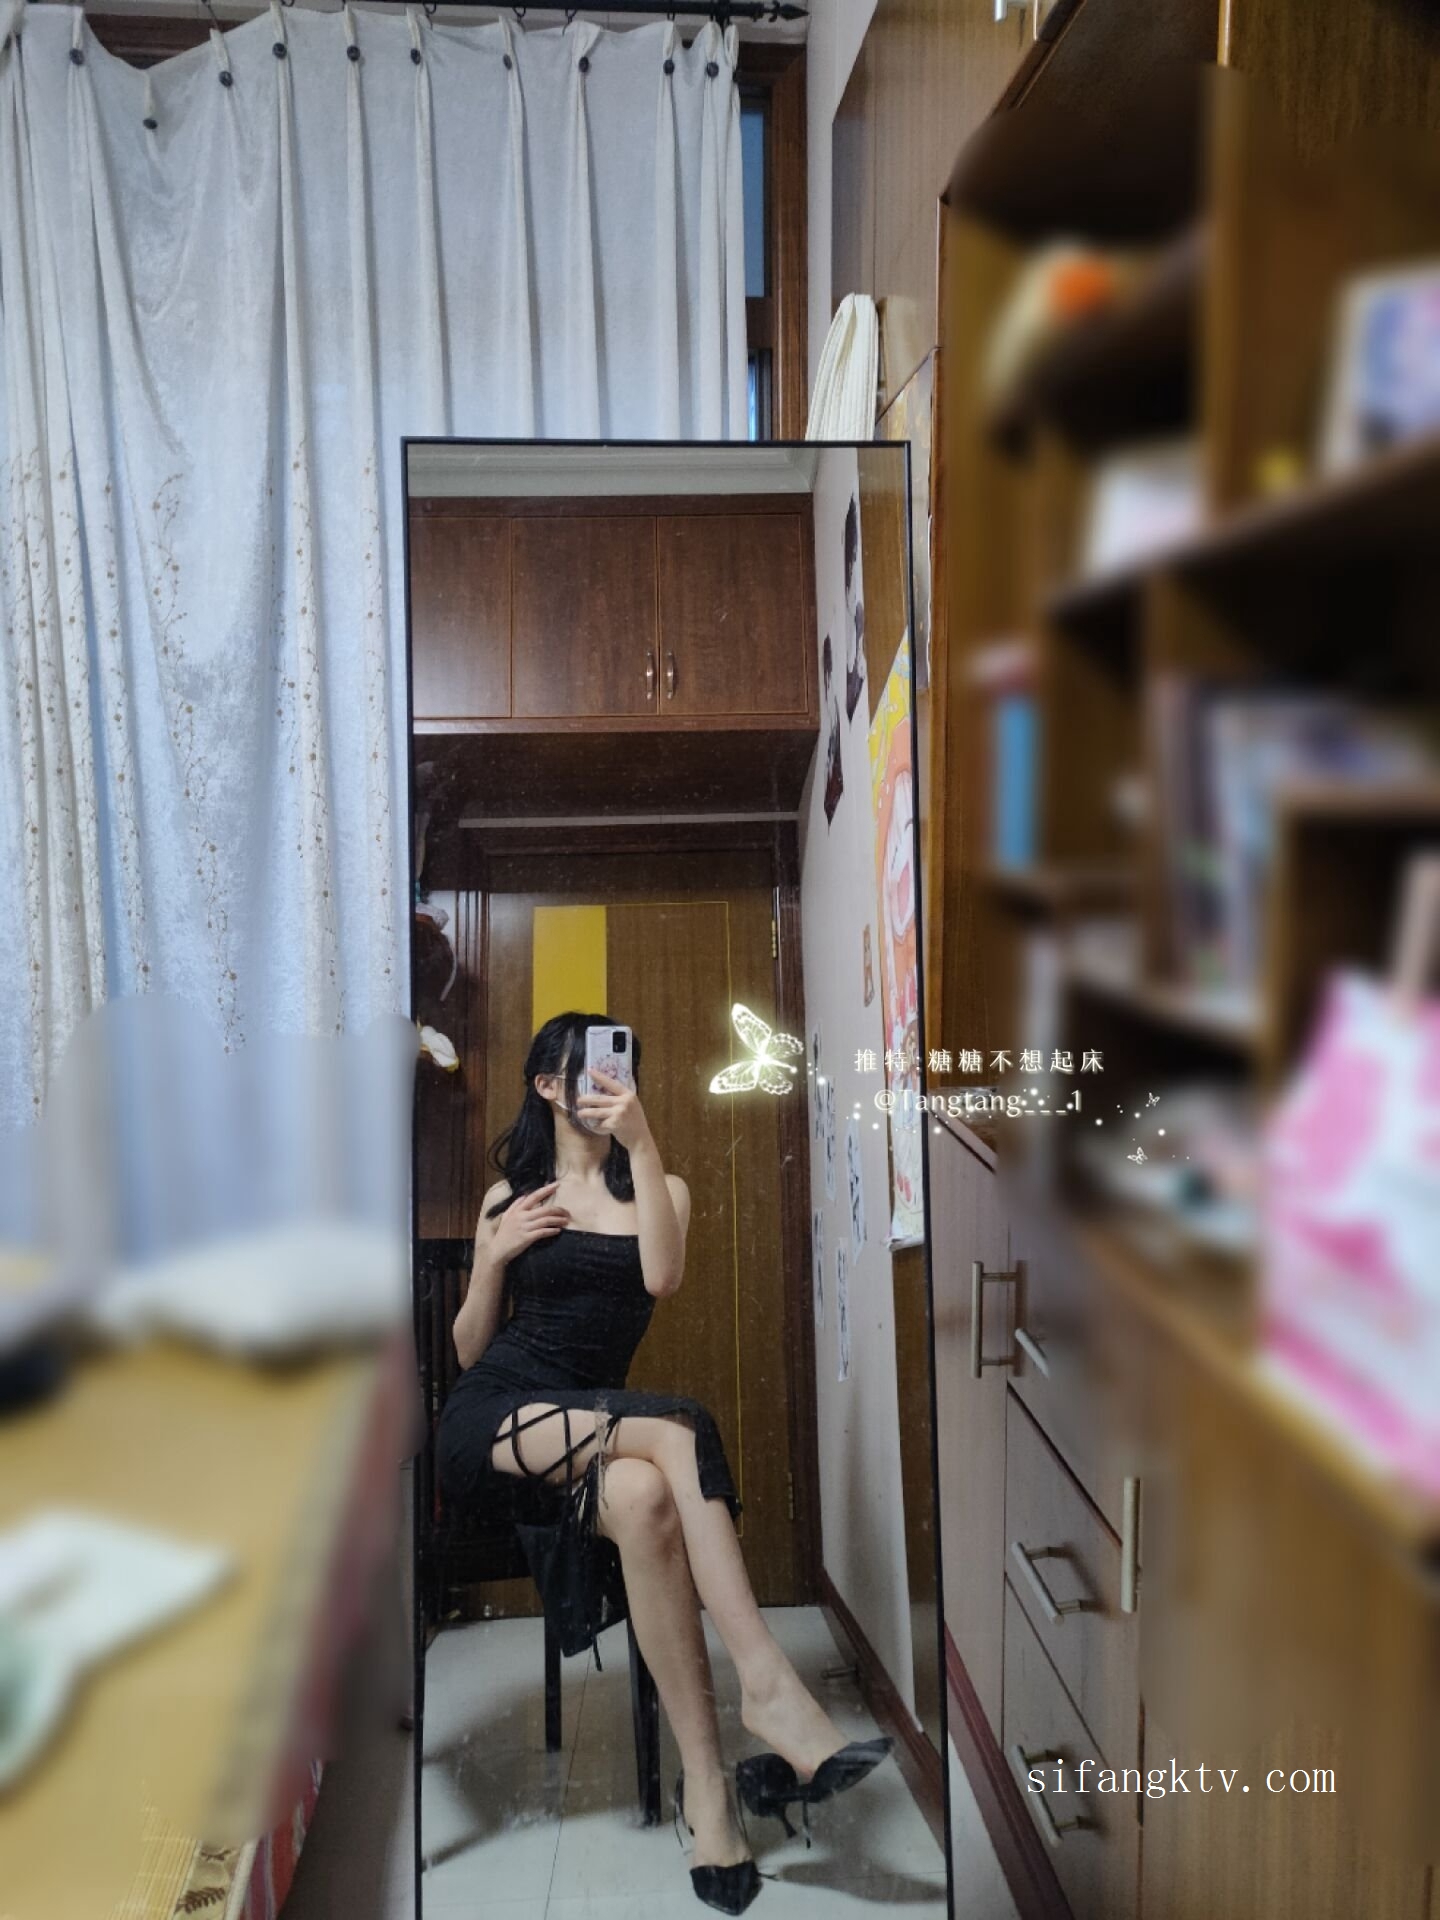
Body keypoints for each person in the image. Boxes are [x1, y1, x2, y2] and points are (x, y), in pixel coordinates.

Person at [437, 1011, 890, 1915]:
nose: (609, 1083)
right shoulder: (508, 1197)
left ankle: (709, 1792)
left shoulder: (662, 1187)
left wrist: (641, 1143)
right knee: (679, 1429)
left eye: (622, 1069)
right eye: (588, 1071)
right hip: (494, 1419)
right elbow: (467, 1352)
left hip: (595, 1431)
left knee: (646, 1493)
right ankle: (766, 1686)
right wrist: (493, 1257)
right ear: (548, 1087)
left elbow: (661, 1280)